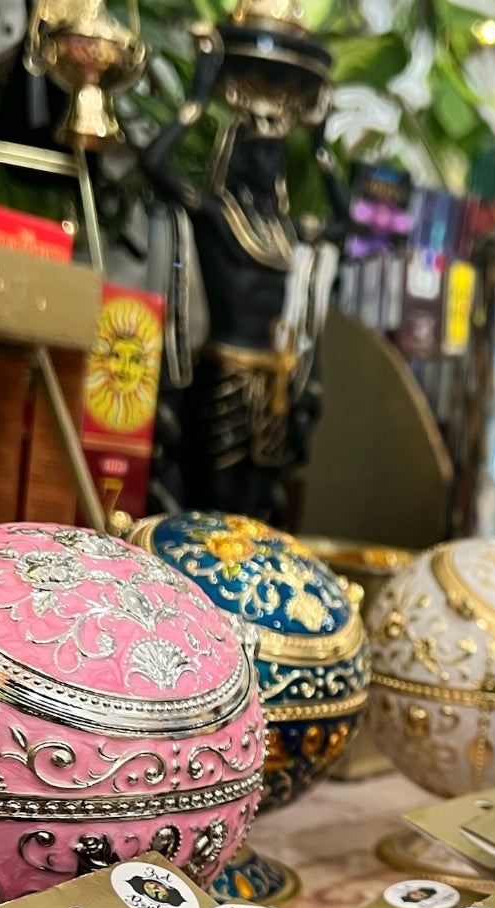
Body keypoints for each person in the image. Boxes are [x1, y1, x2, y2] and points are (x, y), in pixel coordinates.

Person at [141, 2, 342, 525]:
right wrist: (196, 101)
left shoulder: (284, 232)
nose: (271, 162)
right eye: (262, 154)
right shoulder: (217, 215)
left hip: (273, 384)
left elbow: (347, 225)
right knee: (209, 512)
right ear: (239, 156)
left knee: (255, 516)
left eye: (277, 156)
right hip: (222, 377)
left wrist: (321, 148)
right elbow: (153, 166)